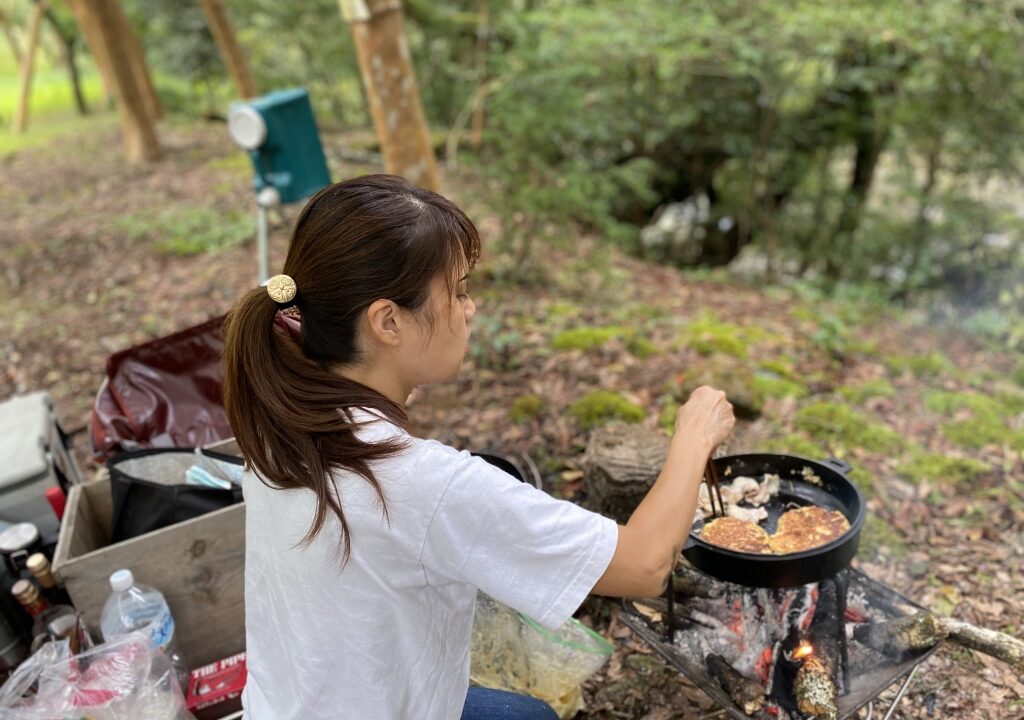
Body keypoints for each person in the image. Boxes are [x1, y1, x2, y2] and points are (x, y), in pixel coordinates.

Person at [222, 175, 735, 720]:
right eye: (460, 291)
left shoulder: (279, 422)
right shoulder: (419, 482)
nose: (470, 309)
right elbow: (645, 565)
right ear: (387, 321)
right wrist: (693, 438)